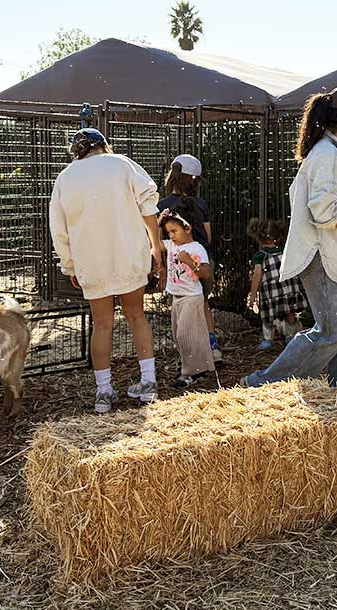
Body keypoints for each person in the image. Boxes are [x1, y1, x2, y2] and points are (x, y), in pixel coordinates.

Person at [240, 86, 337, 398]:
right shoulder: (327, 156)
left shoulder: (330, 153)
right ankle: (262, 385)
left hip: (335, 258)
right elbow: (325, 214)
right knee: (331, 334)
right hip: (323, 258)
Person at [49, 128, 164, 412]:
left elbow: (58, 230)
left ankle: (103, 392)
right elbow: (148, 204)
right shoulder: (122, 164)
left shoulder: (65, 178)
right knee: (137, 316)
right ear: (103, 145)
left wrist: (70, 265)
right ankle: (148, 383)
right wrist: (156, 246)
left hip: (91, 261)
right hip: (128, 254)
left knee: (102, 324)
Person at [157, 154, 222, 363]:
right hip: (202, 261)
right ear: (193, 180)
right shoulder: (200, 203)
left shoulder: (162, 205)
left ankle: (190, 354)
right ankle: (213, 348)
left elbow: (159, 241)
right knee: (203, 305)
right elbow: (208, 236)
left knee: (183, 309)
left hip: (178, 264)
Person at [158, 198, 215, 388]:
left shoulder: (196, 248)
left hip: (191, 296)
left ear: (187, 228)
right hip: (177, 296)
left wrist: (190, 262)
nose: (171, 236)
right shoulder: (172, 246)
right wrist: (159, 223)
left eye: (174, 231)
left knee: (185, 334)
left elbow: (206, 273)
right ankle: (195, 365)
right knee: (179, 335)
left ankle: (187, 373)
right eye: (169, 232)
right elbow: (156, 244)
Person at [247, 217, 308, 351]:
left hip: (270, 293)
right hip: (288, 289)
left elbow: (257, 274)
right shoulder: (285, 252)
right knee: (290, 312)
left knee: (268, 316)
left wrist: (253, 295)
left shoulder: (260, 256)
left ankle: (268, 340)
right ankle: (291, 337)